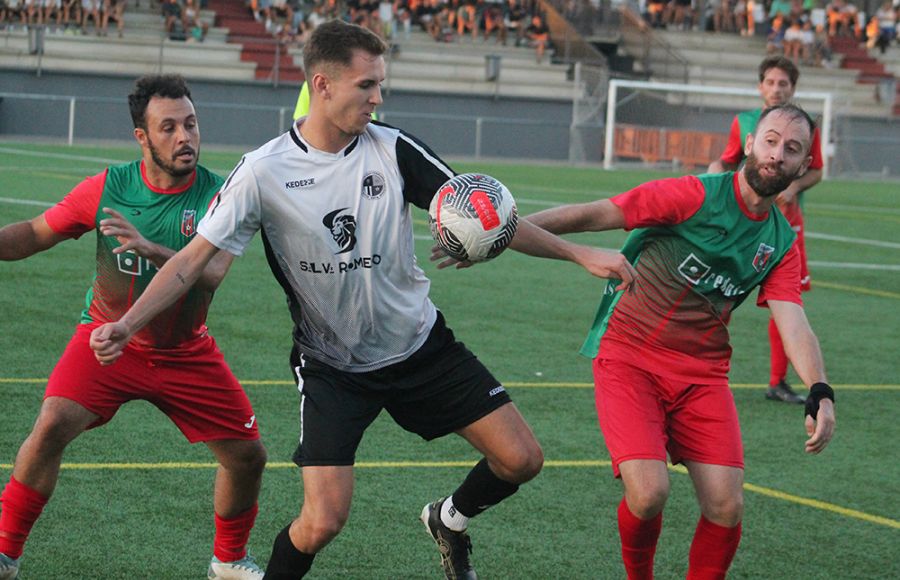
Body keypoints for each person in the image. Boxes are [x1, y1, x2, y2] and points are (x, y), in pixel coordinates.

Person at [88, 20, 636, 580]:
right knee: (322, 520)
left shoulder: (394, 149)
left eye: (380, 84)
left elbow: (483, 212)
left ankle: (448, 519)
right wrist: (128, 324)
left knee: (522, 459)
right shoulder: (263, 171)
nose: (378, 98)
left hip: (421, 347)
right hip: (334, 367)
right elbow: (189, 262)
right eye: (366, 85)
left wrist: (579, 255)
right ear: (322, 86)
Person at [520, 103, 837, 580]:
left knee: (727, 505)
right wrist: (503, 232)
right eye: (770, 141)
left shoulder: (780, 241)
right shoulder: (692, 195)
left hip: (703, 374)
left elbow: (794, 321)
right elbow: (594, 215)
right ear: (750, 144)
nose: (777, 154)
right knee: (648, 493)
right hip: (630, 355)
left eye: (792, 149)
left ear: (803, 165)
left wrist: (819, 388)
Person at [0, 74, 267, 580]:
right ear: (142, 138)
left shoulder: (220, 192)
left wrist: (150, 248)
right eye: (168, 128)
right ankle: (5, 553)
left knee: (248, 457)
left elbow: (209, 276)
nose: (185, 137)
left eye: (190, 124)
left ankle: (228, 561)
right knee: (52, 423)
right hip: (105, 340)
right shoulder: (107, 188)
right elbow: (36, 233)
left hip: (186, 351)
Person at [708, 56, 823, 405]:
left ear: (793, 88)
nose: (777, 89)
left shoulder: (807, 126)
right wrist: (713, 179)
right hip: (741, 222)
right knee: (717, 291)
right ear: (761, 86)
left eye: (783, 83)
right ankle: (704, 373)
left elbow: (816, 171)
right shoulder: (744, 121)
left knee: (788, 303)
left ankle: (778, 381)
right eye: (771, 82)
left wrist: (795, 187)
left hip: (786, 225)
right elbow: (726, 161)